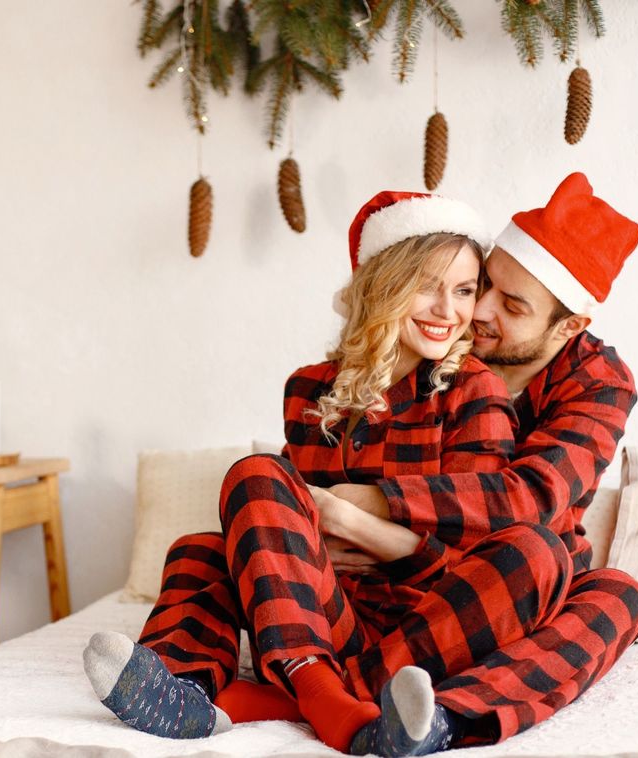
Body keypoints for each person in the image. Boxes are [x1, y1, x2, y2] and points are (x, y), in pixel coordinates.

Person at [83, 191, 577, 753]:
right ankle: (185, 690)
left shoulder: (475, 391)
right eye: (427, 284)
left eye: (464, 290)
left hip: (431, 624)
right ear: (381, 284)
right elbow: (284, 525)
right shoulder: (308, 390)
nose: (448, 310)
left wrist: (350, 518)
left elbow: (473, 552)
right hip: (324, 612)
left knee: (536, 555)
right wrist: (320, 532)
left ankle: (299, 700)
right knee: (226, 514)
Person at [322, 172, 638, 756]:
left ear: (570, 326)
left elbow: (534, 501)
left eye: (514, 305)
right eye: (486, 286)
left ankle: (437, 718)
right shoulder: (440, 337)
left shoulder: (598, 383)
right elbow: (337, 433)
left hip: (511, 584)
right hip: (395, 581)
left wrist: (373, 504)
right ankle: (358, 694)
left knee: (620, 596)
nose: (479, 312)